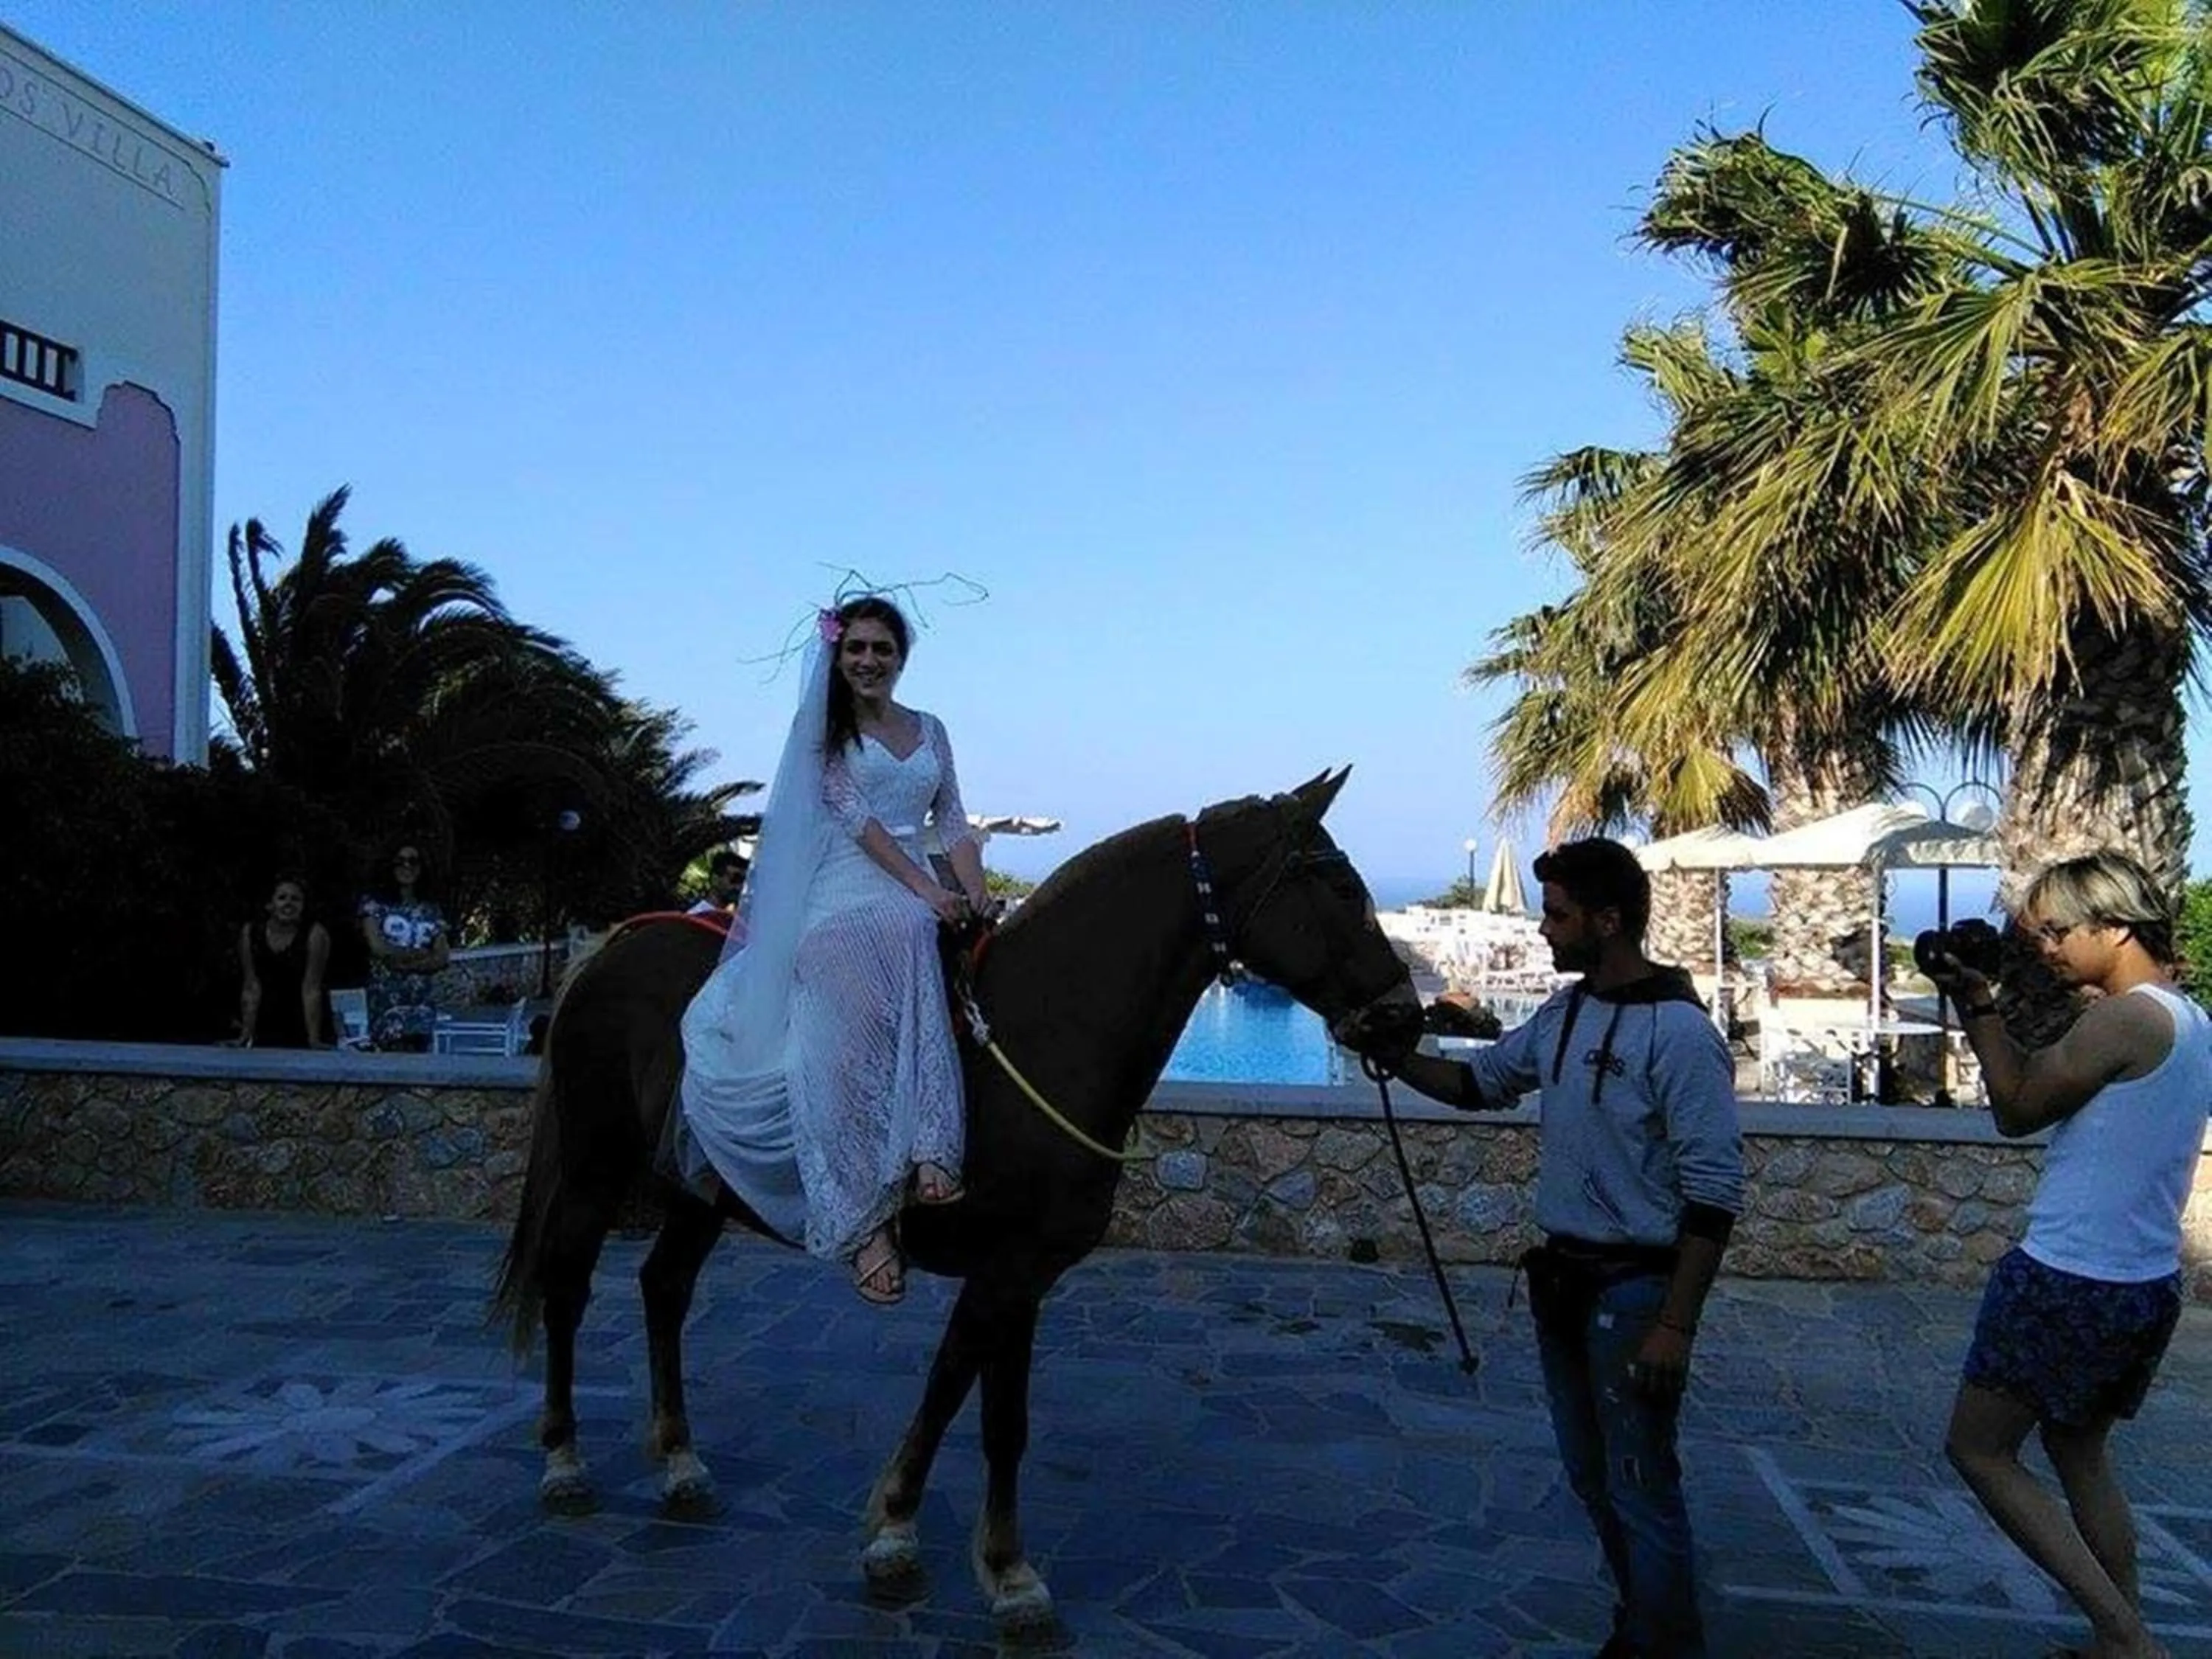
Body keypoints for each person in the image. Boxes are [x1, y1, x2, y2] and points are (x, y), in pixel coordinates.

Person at [1388, 837, 1742, 1659]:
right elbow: (1479, 1085)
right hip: (1566, 1285)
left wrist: (1676, 1328)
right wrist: (1393, 1055)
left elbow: (1714, 1195)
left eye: (1557, 914)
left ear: (1608, 922)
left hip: (1636, 1294)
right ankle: (1640, 1626)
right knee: (1593, 1479)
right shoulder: (1566, 1014)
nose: (1543, 930)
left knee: (1641, 1484)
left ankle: (1665, 1644)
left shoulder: (1682, 1037)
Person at [1927, 852, 2206, 1659]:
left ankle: (2126, 1640)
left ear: (2114, 927)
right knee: (2078, 1451)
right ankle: (2116, 1632)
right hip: (2142, 1281)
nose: (2046, 948)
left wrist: (1977, 1003)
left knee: (1978, 1448)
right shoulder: (2189, 1020)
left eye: (2056, 931)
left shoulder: (2123, 1020)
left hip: (2070, 1277)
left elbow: (2016, 1108)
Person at [678, 595, 989, 1306]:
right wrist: (929, 895)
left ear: (902, 657)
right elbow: (860, 824)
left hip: (913, 887)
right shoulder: (821, 729)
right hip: (845, 891)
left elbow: (953, 821)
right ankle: (868, 1217)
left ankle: (934, 1144)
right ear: (838, 656)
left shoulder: (932, 729)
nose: (869, 661)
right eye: (857, 649)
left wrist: (971, 890)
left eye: (882, 649)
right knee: (910, 932)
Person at [358, 843, 451, 1052]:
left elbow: (443, 956)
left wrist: (402, 964)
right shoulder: (374, 905)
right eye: (400, 861)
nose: (407, 866)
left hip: (422, 1007)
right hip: (387, 1004)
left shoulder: (431, 909)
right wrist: (420, 955)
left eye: (413, 861)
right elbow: (378, 948)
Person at [236, 874, 332, 1048]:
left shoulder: (315, 934)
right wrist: (245, 1034)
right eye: (282, 898)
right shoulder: (251, 933)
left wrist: (314, 1040)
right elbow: (251, 985)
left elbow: (312, 988)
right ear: (270, 905)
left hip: (303, 1018)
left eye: (295, 899)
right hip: (265, 1019)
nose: (289, 904)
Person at [687, 849, 748, 917]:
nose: (739, 887)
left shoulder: (735, 919)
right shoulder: (697, 915)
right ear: (715, 879)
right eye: (735, 879)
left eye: (743, 881)